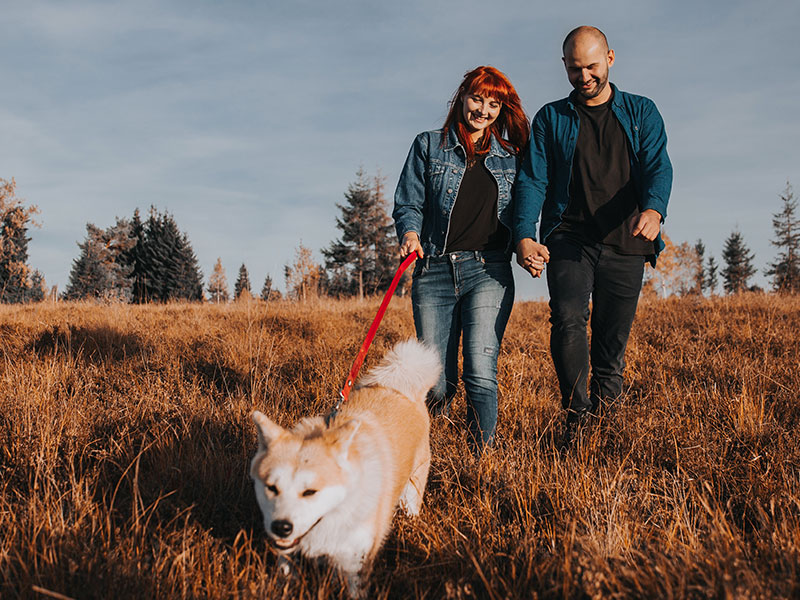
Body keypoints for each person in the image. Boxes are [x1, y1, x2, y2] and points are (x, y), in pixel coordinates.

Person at [514, 26, 673, 447]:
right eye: (574, 68)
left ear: (611, 59)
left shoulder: (642, 112)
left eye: (591, 66)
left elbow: (659, 166)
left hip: (627, 239)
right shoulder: (551, 118)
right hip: (570, 237)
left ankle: (610, 420)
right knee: (567, 317)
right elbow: (532, 180)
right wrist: (524, 236)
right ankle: (577, 417)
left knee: (610, 341)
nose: (584, 76)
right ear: (564, 66)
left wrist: (654, 209)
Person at [393, 66, 535, 452]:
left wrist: (529, 243)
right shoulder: (428, 145)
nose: (483, 111)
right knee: (437, 382)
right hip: (434, 269)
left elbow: (528, 205)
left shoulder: (512, 157)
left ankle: (482, 457)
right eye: (477, 99)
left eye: (493, 104)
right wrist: (409, 234)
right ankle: (426, 451)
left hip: (488, 270)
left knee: (480, 371)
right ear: (462, 97)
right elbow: (409, 203)